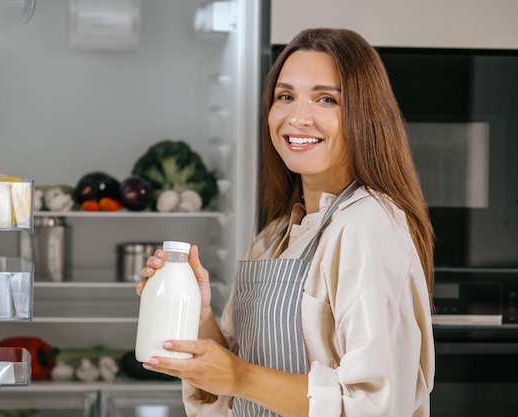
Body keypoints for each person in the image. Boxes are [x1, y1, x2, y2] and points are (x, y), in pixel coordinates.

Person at [137, 28, 435, 417]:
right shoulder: (276, 234)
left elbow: (374, 404)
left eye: (326, 99)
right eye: (285, 96)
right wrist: (197, 314)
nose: (297, 117)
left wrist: (239, 376)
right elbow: (236, 384)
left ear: (365, 115)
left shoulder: (368, 225)